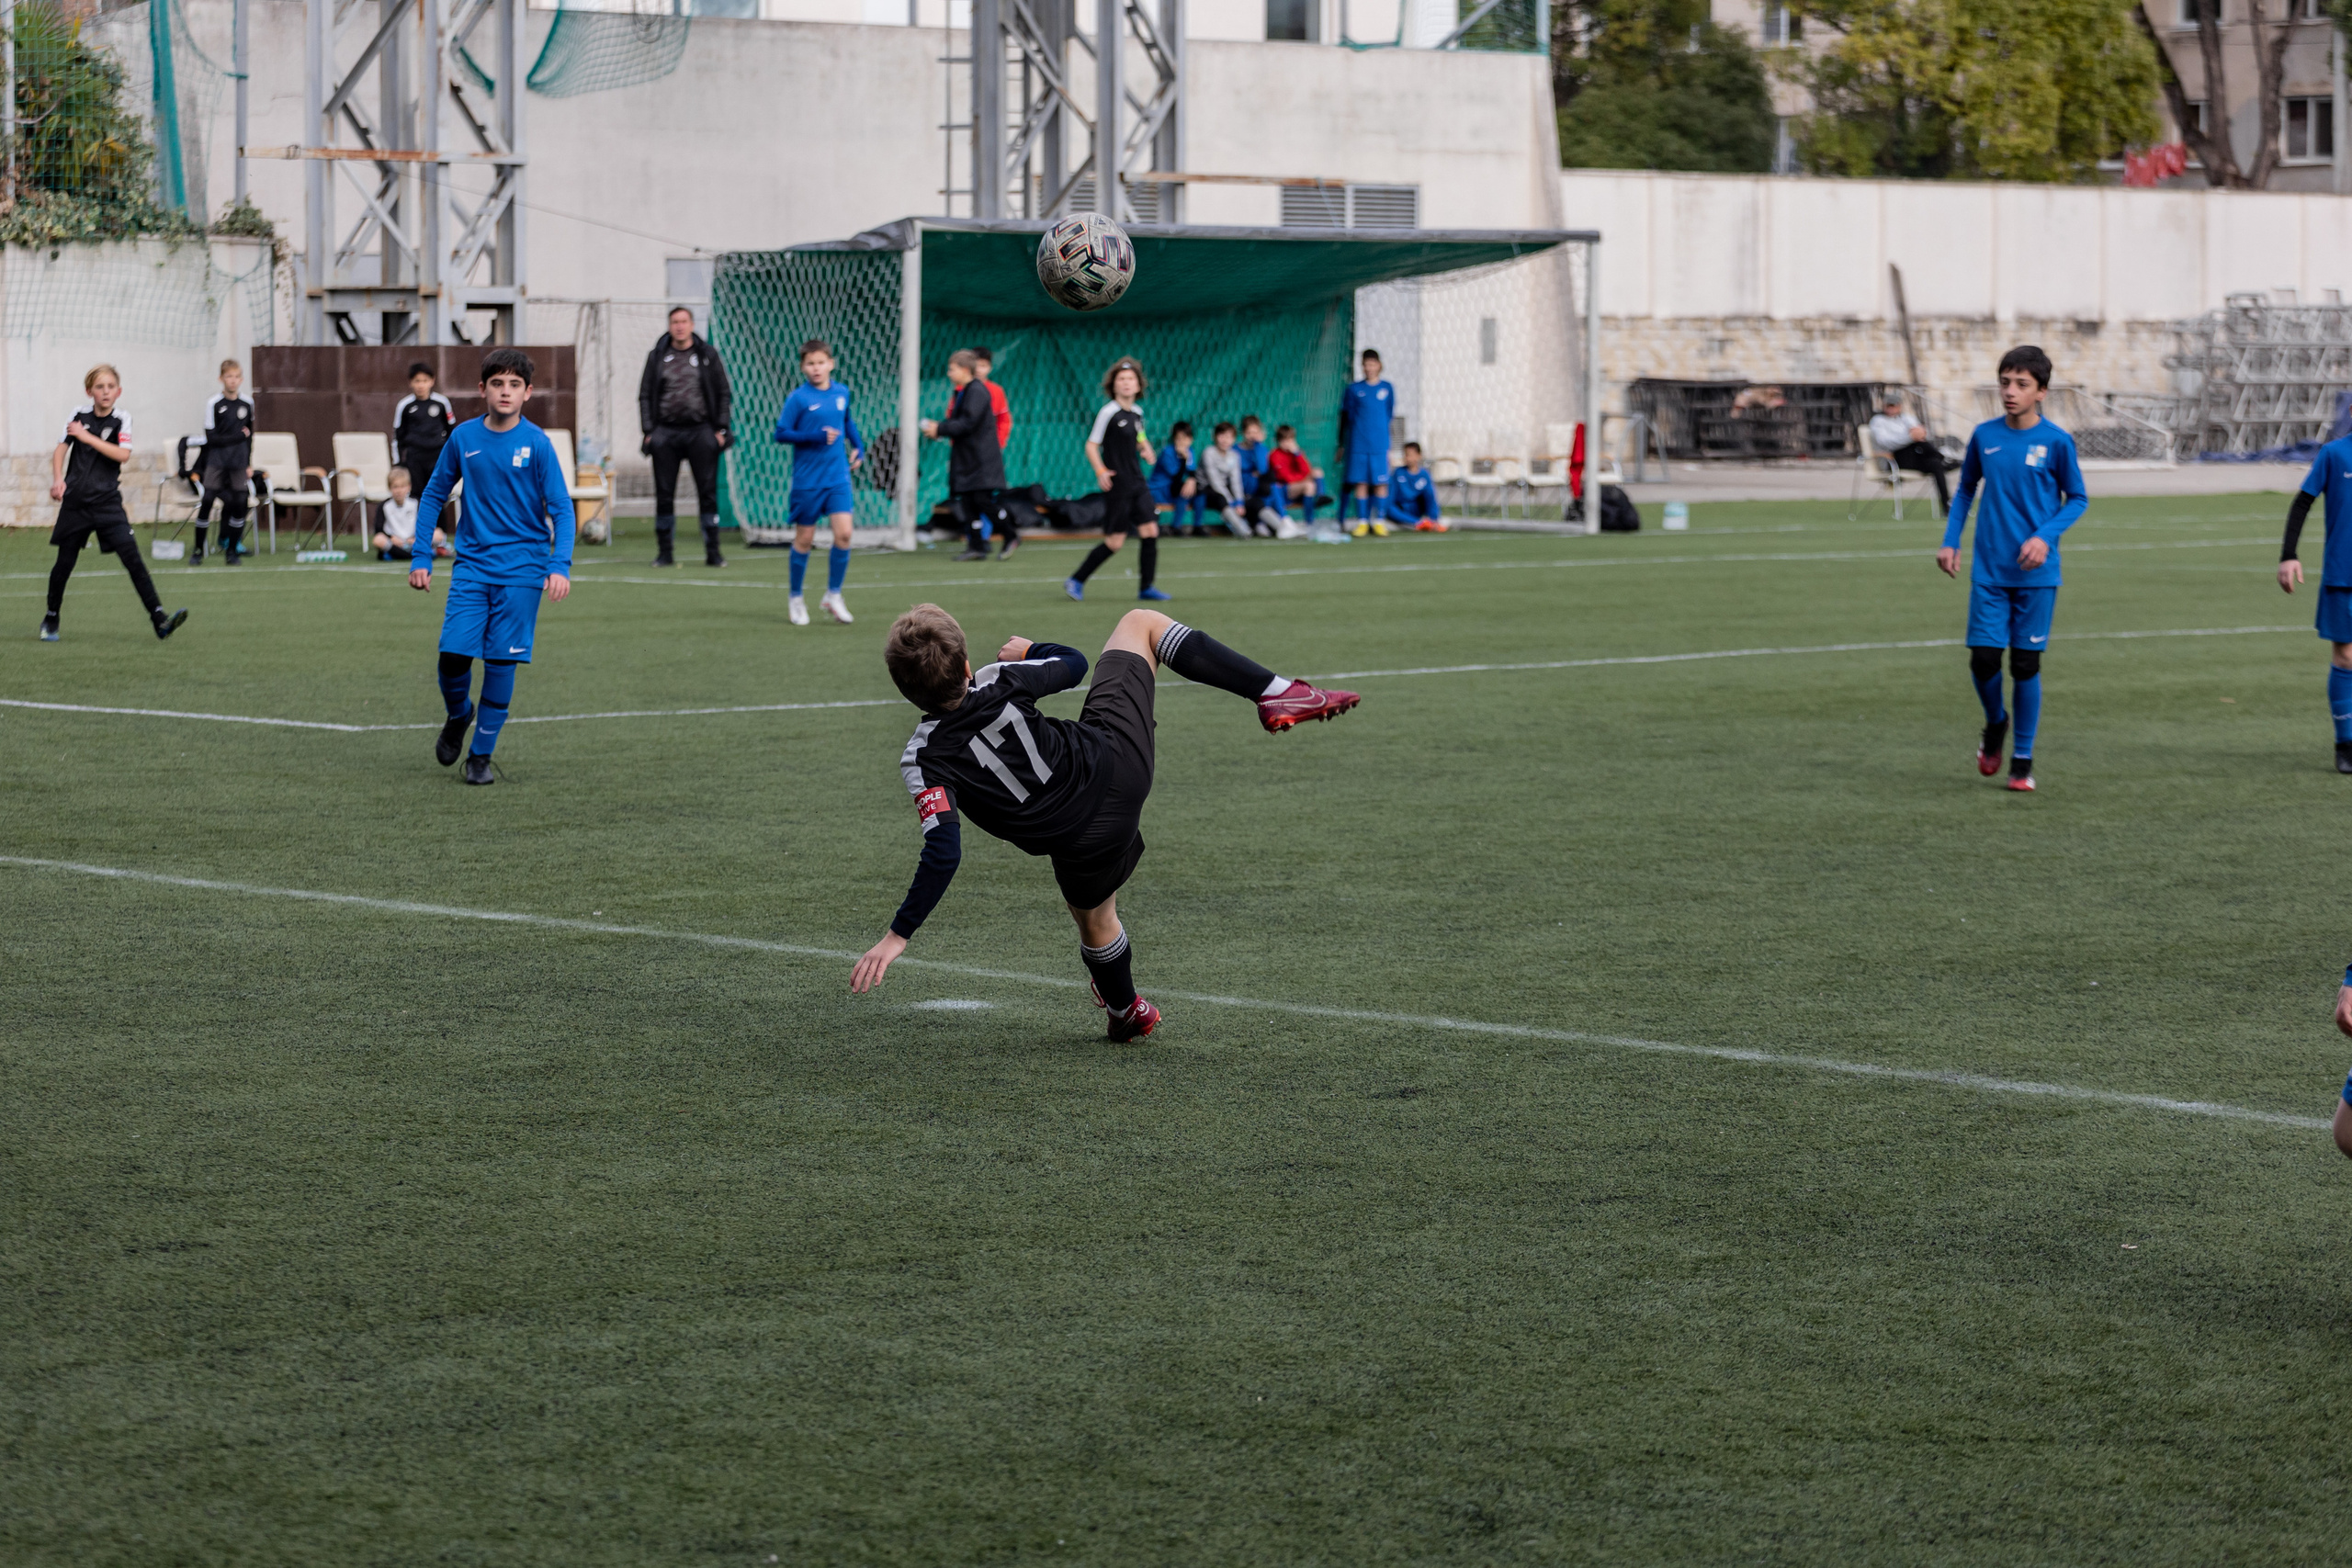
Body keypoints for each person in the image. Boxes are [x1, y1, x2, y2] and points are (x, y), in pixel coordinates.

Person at [849, 603, 1362, 1039]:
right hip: (1117, 766)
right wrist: (1029, 651)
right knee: (1141, 624)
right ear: (965, 665)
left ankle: (1125, 1009)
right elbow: (1072, 664)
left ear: (904, 689)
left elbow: (944, 852)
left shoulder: (923, 759)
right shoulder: (997, 678)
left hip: (1079, 842)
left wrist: (899, 935)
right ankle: (1274, 690)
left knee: (1094, 919)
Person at [409, 349, 576, 786]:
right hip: (472, 567)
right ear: (482, 389)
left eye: (514, 385)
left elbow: (561, 508)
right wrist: (421, 555)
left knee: (502, 663)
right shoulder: (464, 438)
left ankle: (480, 757)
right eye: (497, 384)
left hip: (524, 570)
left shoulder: (537, 443)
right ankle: (459, 713)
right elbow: (431, 496)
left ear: (527, 393)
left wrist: (560, 564)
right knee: (452, 656)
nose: (506, 392)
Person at [1937, 345, 2086, 794]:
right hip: (1989, 571)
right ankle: (1995, 722)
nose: (2010, 391)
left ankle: (2022, 758)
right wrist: (1950, 541)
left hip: (2037, 576)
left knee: (2024, 665)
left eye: (2021, 384)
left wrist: (2044, 537)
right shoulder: (1984, 436)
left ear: (2041, 391)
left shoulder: (2056, 441)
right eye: (2005, 382)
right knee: (1983, 659)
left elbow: (2077, 498)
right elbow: (1964, 491)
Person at [40, 366, 187, 643]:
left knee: (133, 560)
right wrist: (58, 479)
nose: (105, 392)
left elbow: (122, 455)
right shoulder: (77, 415)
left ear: (118, 392)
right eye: (99, 387)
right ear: (89, 391)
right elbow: (61, 449)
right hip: (76, 505)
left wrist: (86, 437)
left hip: (107, 504)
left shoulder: (122, 419)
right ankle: (51, 618)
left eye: (110, 387)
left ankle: (159, 620)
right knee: (64, 564)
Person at [2274, 423, 2352, 773]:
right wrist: (2289, 554)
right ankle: (2346, 744)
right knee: (2347, 657)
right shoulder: (2335, 453)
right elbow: (2303, 501)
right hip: (2343, 573)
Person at [772, 338, 864, 625]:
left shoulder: (841, 392)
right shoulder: (798, 398)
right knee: (805, 538)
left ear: (831, 364)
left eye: (821, 362)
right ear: (803, 367)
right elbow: (781, 433)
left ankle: (833, 595)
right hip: (808, 480)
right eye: (810, 363)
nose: (816, 368)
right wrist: (815, 436)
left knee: (845, 535)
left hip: (837, 477)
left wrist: (858, 445)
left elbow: (846, 420)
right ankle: (796, 598)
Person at [638, 306, 735, 569]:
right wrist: (649, 431)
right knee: (665, 494)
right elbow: (645, 395)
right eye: (675, 322)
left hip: (701, 431)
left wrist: (721, 428)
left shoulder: (707, 355)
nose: (679, 326)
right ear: (669, 325)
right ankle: (665, 552)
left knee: (708, 493)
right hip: (665, 433)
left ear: (692, 324)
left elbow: (723, 392)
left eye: (684, 321)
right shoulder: (657, 356)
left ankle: (713, 552)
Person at [1066, 357, 1169, 603]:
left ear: (1138, 385)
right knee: (1115, 542)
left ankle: (1146, 588)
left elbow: (1140, 434)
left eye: (1131, 379)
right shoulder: (1108, 412)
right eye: (1121, 379)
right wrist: (1101, 471)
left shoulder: (1137, 413)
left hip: (1138, 481)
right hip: (1118, 483)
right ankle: (1076, 580)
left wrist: (1146, 448)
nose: (1126, 383)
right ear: (1113, 385)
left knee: (1150, 530)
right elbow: (1091, 445)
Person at [923, 349, 1009, 563]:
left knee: (981, 500)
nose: (948, 373)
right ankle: (977, 545)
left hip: (980, 459)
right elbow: (958, 424)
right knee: (968, 502)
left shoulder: (978, 391)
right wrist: (940, 429)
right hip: (967, 458)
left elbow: (968, 423)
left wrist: (940, 429)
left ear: (963, 369)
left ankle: (1010, 534)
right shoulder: (962, 392)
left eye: (951, 369)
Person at [191, 358, 253, 565]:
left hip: (238, 462)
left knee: (240, 503)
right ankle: (198, 550)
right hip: (217, 461)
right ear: (221, 379)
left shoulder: (247, 403)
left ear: (241, 379)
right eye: (229, 376)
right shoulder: (214, 403)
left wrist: (248, 462)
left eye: (236, 377)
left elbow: (250, 435)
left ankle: (232, 551)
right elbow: (212, 438)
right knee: (207, 500)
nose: (233, 381)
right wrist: (237, 437)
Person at [1339, 348, 1396, 537]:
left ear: (1379, 365)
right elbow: (1346, 417)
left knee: (1381, 483)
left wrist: (1388, 444)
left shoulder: (1387, 388)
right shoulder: (1354, 389)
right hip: (1358, 444)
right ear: (1362, 367)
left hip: (1379, 444)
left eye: (1372, 364)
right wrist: (1341, 444)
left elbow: (1388, 415)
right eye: (1366, 365)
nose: (1369, 368)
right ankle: (1362, 521)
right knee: (1361, 482)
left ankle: (1379, 520)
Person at [392, 362, 458, 525]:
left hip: (437, 457)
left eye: (424, 380)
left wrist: (450, 458)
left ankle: (440, 535)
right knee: (416, 496)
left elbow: (452, 431)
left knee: (437, 494)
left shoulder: (442, 402)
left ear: (432, 381)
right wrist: (399, 463)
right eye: (417, 381)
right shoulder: (404, 405)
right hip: (414, 457)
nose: (421, 385)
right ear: (411, 383)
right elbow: (397, 437)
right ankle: (416, 534)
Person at [1868, 394, 1953, 513]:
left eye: (1894, 406)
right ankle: (1945, 458)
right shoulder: (1878, 421)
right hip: (1896, 460)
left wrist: (1917, 435)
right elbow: (1886, 443)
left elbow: (1922, 435)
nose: (1891, 408)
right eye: (1889, 406)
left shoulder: (1907, 418)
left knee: (1935, 464)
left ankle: (1947, 505)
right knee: (1914, 444)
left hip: (1915, 458)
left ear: (1900, 406)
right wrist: (1910, 437)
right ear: (1884, 406)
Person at [371, 466, 449, 561]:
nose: (399, 491)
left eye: (402, 486)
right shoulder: (384, 506)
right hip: (395, 543)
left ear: (409, 487)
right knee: (378, 540)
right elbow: (378, 529)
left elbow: (424, 523)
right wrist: (392, 538)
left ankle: (398, 555)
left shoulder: (416, 503)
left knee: (438, 534)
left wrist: (416, 538)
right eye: (395, 487)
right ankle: (416, 554)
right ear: (389, 487)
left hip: (414, 541)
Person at [1267, 424, 1329, 534]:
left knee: (1317, 473)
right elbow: (1284, 477)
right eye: (1285, 440)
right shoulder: (1275, 455)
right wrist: (1302, 479)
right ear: (1279, 441)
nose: (1288, 443)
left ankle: (1320, 499)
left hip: (1299, 487)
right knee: (1308, 485)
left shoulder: (1296, 453)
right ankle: (1309, 520)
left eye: (1290, 439)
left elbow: (1306, 470)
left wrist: (1297, 454)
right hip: (1284, 490)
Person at [1198, 421, 1251, 539]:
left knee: (1250, 501)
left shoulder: (1234, 455)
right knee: (1221, 499)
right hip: (1206, 489)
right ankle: (1242, 529)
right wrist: (1230, 502)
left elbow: (1235, 480)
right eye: (1222, 436)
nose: (1225, 440)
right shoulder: (1209, 453)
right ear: (1215, 437)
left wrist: (1239, 502)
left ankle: (1260, 526)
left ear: (1234, 439)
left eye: (1229, 437)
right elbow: (1214, 481)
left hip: (1223, 489)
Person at [1150, 421, 1202, 536]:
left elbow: (1192, 472)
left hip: (1176, 488)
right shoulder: (1167, 452)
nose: (1183, 442)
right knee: (1184, 492)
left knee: (1199, 493)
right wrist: (1184, 459)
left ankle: (1198, 526)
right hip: (1160, 489)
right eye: (1179, 438)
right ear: (1174, 439)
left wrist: (1192, 480)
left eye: (1186, 438)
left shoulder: (1191, 451)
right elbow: (1176, 477)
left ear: (1191, 439)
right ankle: (1176, 527)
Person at [1384, 442, 1447, 531]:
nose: (1407, 458)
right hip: (1401, 510)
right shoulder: (1398, 473)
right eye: (1406, 455)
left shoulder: (1424, 474)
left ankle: (1433, 522)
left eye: (1411, 455)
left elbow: (1430, 498)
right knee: (1389, 509)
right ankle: (1419, 523)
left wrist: (1434, 517)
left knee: (1429, 492)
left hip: (1417, 510)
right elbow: (1391, 500)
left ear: (1419, 456)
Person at [972, 346, 1012, 451]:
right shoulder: (960, 389)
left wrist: (998, 443)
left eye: (983, 366)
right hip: (965, 447)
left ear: (990, 367)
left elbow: (1004, 419)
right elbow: (953, 417)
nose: (978, 369)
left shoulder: (997, 391)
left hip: (989, 447)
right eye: (975, 365)